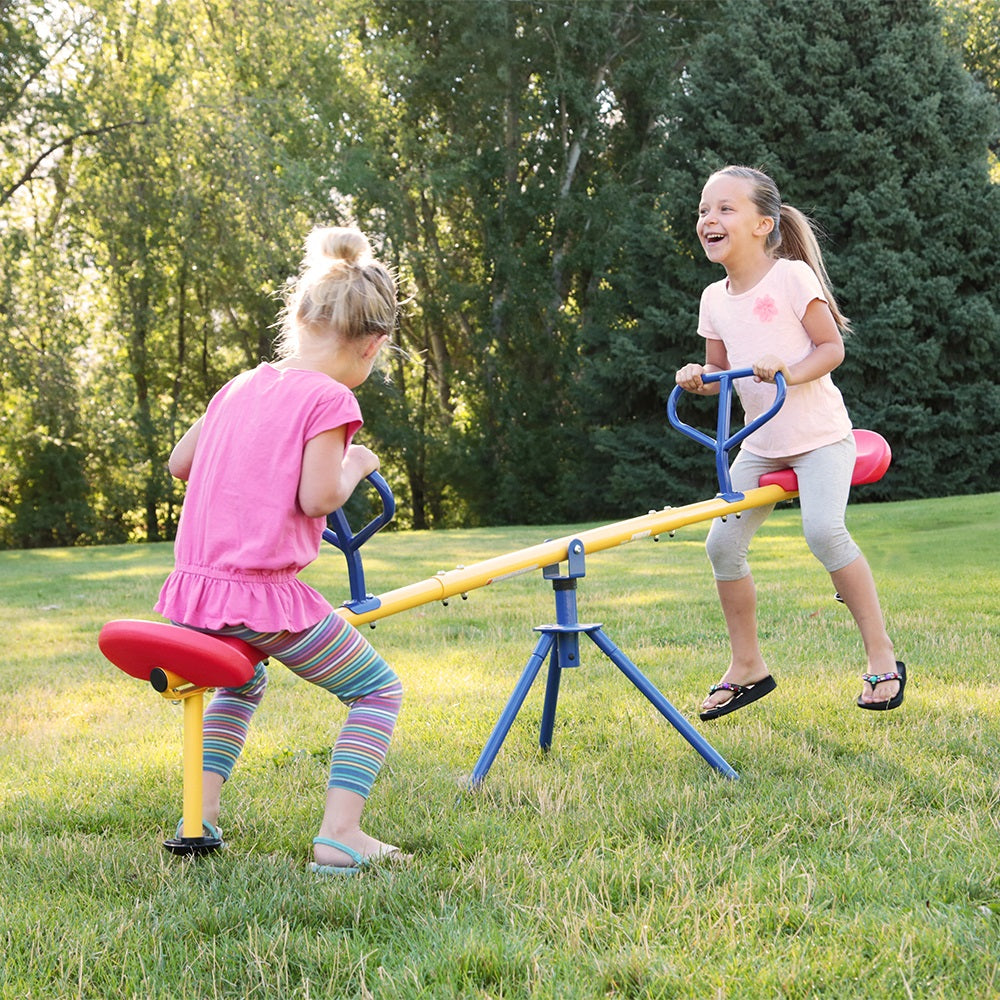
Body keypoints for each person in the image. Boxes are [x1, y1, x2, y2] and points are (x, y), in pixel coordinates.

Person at [156, 225, 406, 874]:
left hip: (196, 593)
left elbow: (180, 463)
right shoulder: (330, 397)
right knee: (377, 692)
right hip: (264, 598)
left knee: (241, 681)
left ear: (298, 317)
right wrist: (357, 462)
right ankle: (341, 835)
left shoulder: (239, 387)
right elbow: (321, 497)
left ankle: (199, 815)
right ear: (373, 346)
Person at [675, 165, 905, 721]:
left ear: (763, 223)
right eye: (705, 210)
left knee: (823, 531)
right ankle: (747, 665)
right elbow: (719, 370)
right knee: (721, 547)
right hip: (759, 442)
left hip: (821, 436)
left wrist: (788, 371)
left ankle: (883, 656)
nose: (710, 218)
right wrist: (698, 378)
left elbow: (830, 349)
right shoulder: (713, 297)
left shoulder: (792, 278)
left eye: (726, 208)